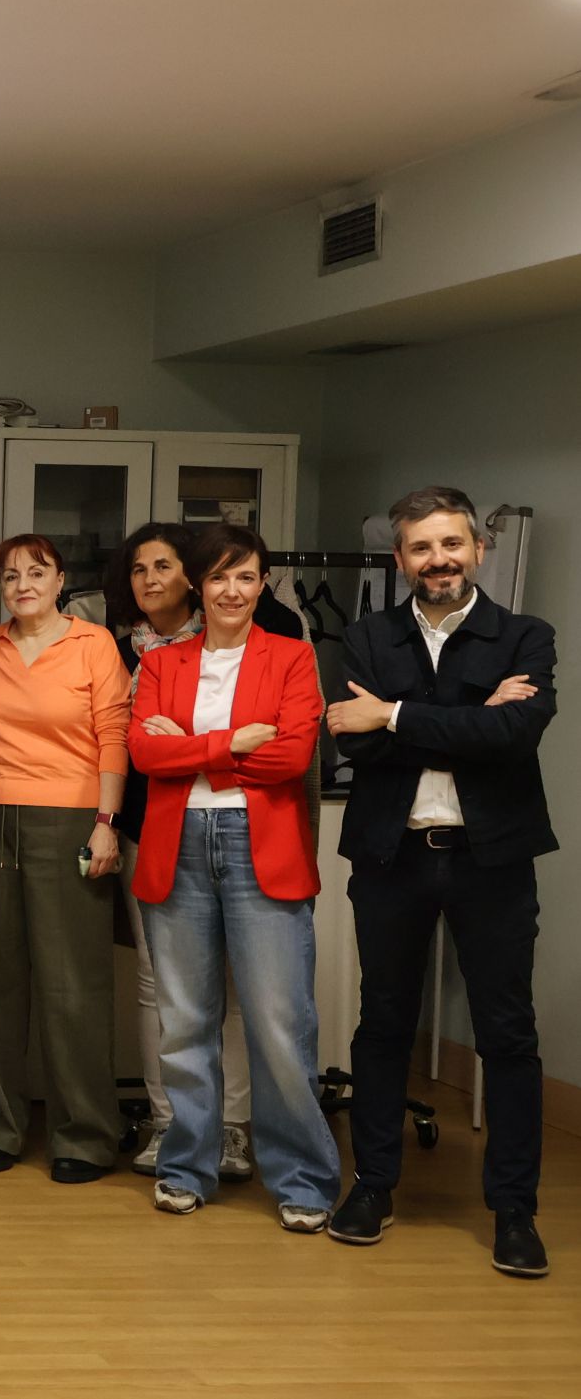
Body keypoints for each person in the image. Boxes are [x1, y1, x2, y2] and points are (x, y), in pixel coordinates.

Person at [325, 486, 556, 1278]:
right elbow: (357, 746)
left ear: (478, 549)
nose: (439, 559)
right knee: (383, 1022)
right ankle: (373, 1186)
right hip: (392, 856)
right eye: (421, 547)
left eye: (451, 543)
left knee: (508, 1034)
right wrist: (472, 716)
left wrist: (393, 715)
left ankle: (515, 1210)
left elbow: (513, 735)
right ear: (400, 559)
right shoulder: (367, 635)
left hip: (493, 860)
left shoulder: (524, 635)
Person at [128, 522, 341, 1233]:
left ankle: (302, 1178)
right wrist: (232, 744)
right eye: (218, 576)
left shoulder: (292, 656)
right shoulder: (163, 661)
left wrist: (191, 749)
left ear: (262, 583)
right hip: (177, 845)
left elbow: (291, 757)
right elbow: (142, 754)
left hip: (262, 846)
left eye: (246, 576)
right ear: (197, 583)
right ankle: (187, 1166)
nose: (231, 590)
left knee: (280, 1023)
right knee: (186, 1021)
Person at [0, 533, 130, 1183]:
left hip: (70, 821)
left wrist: (106, 823)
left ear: (61, 581)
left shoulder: (94, 643)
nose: (22, 584)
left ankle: (84, 1137)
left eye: (37, 572)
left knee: (72, 984)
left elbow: (113, 735)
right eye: (10, 575)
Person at [105, 522, 256, 1182]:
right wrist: (200, 741)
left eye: (162, 566)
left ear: (191, 577)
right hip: (147, 825)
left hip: (236, 822)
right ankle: (168, 1121)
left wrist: (182, 741)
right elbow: (133, 748)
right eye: (138, 569)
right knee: (157, 983)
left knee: (233, 984)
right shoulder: (118, 649)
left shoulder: (237, 640)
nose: (149, 579)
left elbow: (269, 742)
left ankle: (232, 1126)